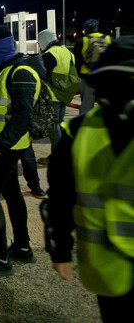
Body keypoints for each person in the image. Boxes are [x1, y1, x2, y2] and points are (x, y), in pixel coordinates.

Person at [42, 36, 133, 322]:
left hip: (103, 266)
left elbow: (58, 197)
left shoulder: (78, 132)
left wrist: (60, 249)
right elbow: (60, 197)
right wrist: (60, 249)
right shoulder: (77, 132)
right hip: (107, 269)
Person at [0, 25, 44, 277]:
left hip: (7, 147)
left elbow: (22, 117)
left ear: (0, 48)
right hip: (2, 144)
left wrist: (0, 146)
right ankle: (23, 246)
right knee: (13, 194)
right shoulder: (4, 68)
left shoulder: (22, 71)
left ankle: (1, 258)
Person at [37, 28, 81, 163]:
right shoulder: (68, 53)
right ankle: (64, 153)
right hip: (65, 95)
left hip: (53, 96)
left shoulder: (50, 54)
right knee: (60, 124)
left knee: (53, 127)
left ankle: (57, 157)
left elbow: (42, 76)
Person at [73, 19, 111, 115]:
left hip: (87, 77)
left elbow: (77, 62)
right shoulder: (108, 38)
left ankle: (86, 126)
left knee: (86, 105)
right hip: (104, 76)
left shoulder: (81, 41)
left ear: (85, 29)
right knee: (106, 104)